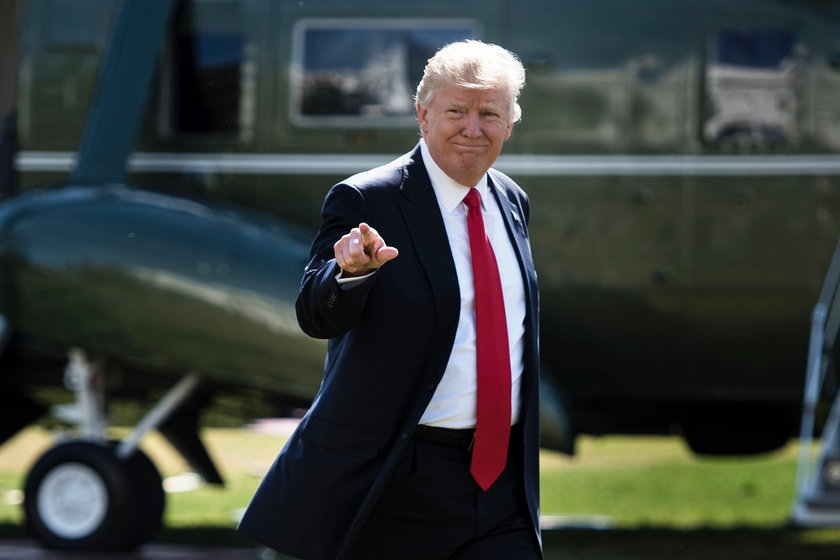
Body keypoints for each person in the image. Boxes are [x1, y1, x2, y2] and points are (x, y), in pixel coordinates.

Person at [238, 40, 541, 560]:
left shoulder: (511, 200)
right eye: (456, 111)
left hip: (501, 486)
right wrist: (348, 274)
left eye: (489, 113)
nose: (473, 128)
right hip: (398, 476)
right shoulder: (368, 199)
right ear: (423, 115)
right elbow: (315, 312)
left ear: (510, 123)